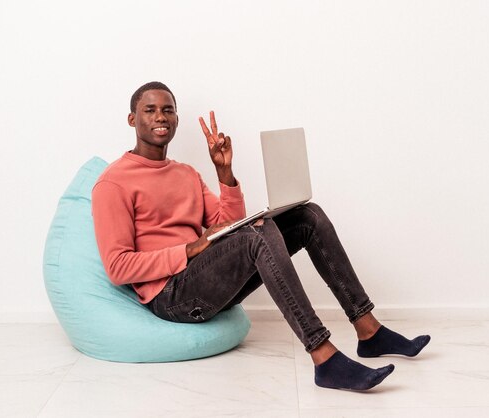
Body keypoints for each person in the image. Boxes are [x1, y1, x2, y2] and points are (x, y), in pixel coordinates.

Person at [92, 81, 431, 391]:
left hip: (202, 278)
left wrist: (225, 172)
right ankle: (323, 355)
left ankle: (368, 329)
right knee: (258, 235)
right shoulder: (114, 182)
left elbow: (231, 227)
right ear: (132, 119)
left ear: (177, 118)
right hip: (171, 295)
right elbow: (118, 267)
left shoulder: (186, 173)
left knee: (308, 215)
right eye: (149, 110)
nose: (160, 117)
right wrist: (188, 249)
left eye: (168, 109)